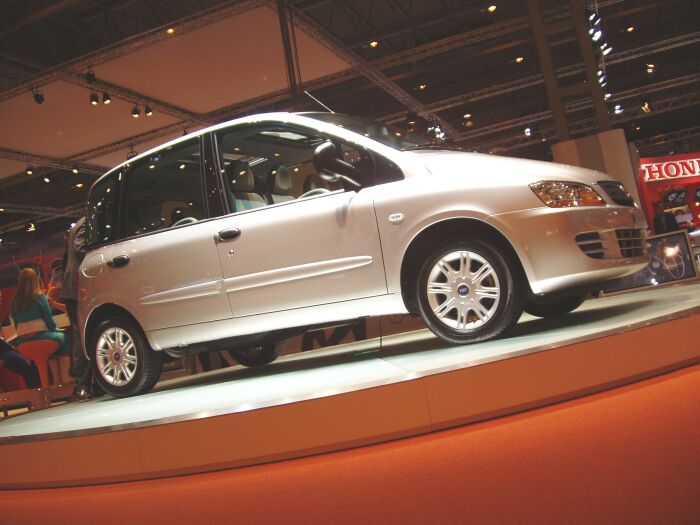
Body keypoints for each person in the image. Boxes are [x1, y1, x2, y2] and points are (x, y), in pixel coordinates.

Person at [10, 268, 70, 385]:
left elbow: (16, 325)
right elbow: (49, 322)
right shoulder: (39, 297)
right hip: (43, 339)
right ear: (35, 280)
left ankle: (55, 383)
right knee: (63, 340)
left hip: (23, 344)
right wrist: (55, 330)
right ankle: (66, 380)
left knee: (49, 346)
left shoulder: (14, 301)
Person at [60, 217, 94, 400]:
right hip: (78, 287)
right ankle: (81, 385)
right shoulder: (87, 222)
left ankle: (84, 384)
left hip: (76, 287)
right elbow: (80, 247)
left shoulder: (83, 222)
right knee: (82, 336)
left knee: (83, 335)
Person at [0, 290, 41, 389]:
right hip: (2, 352)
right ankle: (36, 397)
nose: (1, 300)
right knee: (29, 368)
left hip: (3, 350)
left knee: (30, 367)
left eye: (1, 297)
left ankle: (34, 397)